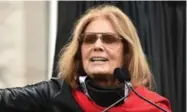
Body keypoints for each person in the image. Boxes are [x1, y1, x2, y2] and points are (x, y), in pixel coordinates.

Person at [0, 4, 171, 112]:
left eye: (108, 39)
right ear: (79, 52)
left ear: (127, 52)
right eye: (89, 39)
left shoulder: (152, 107)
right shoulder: (54, 95)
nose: (97, 45)